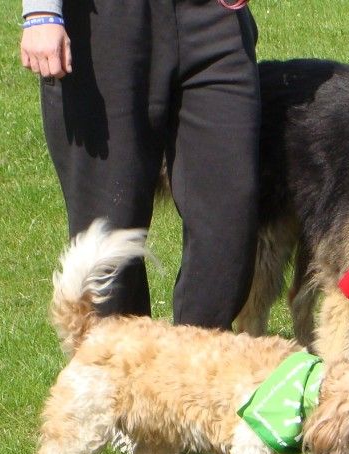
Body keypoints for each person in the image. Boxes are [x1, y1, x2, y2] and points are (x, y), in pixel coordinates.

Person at [19, 0, 260, 328]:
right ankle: (121, 370)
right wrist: (40, 11)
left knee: (229, 225)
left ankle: (194, 364)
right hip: (104, 23)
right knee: (108, 237)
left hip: (212, 20)